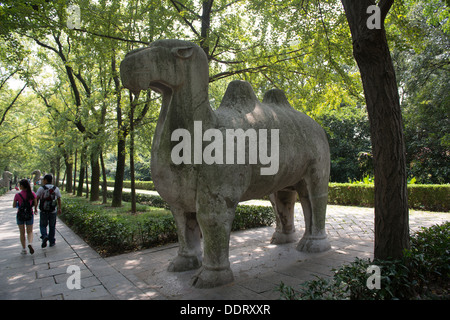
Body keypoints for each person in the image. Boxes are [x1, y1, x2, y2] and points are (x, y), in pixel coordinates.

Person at [35, 174, 62, 248]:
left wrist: (35, 208)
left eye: (43, 180)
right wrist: (59, 208)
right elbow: (59, 199)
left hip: (43, 211)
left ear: (46, 180)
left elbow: (37, 198)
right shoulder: (56, 188)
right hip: (53, 211)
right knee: (52, 226)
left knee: (43, 225)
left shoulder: (41, 188)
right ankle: (52, 241)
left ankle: (44, 236)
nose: (43, 181)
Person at [13, 179, 37, 255]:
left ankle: (24, 249)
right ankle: (30, 243)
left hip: (20, 214)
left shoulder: (17, 195)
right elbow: (35, 203)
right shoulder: (32, 194)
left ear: (22, 186)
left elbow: (14, 205)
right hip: (29, 214)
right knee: (30, 231)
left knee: (22, 232)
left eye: (19, 185)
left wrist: (19, 205)